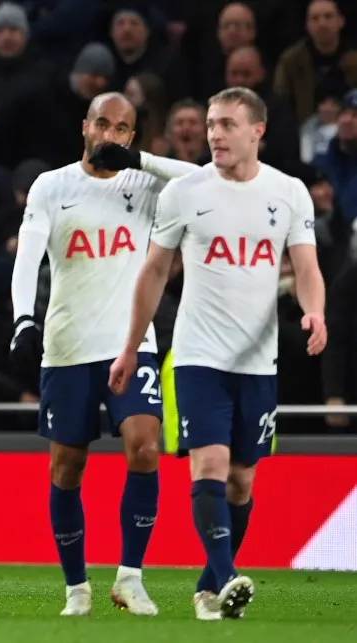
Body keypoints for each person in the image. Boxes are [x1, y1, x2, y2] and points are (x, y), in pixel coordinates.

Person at [109, 87, 326, 620]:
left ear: (258, 131)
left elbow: (306, 267)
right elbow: (155, 271)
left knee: (243, 478)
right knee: (210, 462)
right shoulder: (186, 191)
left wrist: (315, 311)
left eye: (227, 124)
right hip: (198, 355)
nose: (215, 134)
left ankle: (209, 589)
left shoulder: (289, 192)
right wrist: (131, 344)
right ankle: (228, 578)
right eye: (211, 124)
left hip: (258, 360)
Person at [9, 92, 199, 617]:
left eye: (122, 129)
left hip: (131, 344)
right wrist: (24, 319)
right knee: (67, 467)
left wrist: (139, 161)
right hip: (68, 346)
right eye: (103, 125)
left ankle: (131, 577)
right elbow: (28, 257)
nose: (110, 135)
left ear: (132, 137)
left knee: (144, 446)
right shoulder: (52, 186)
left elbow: (206, 179)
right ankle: (77, 589)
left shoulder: (148, 185)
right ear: (84, 127)